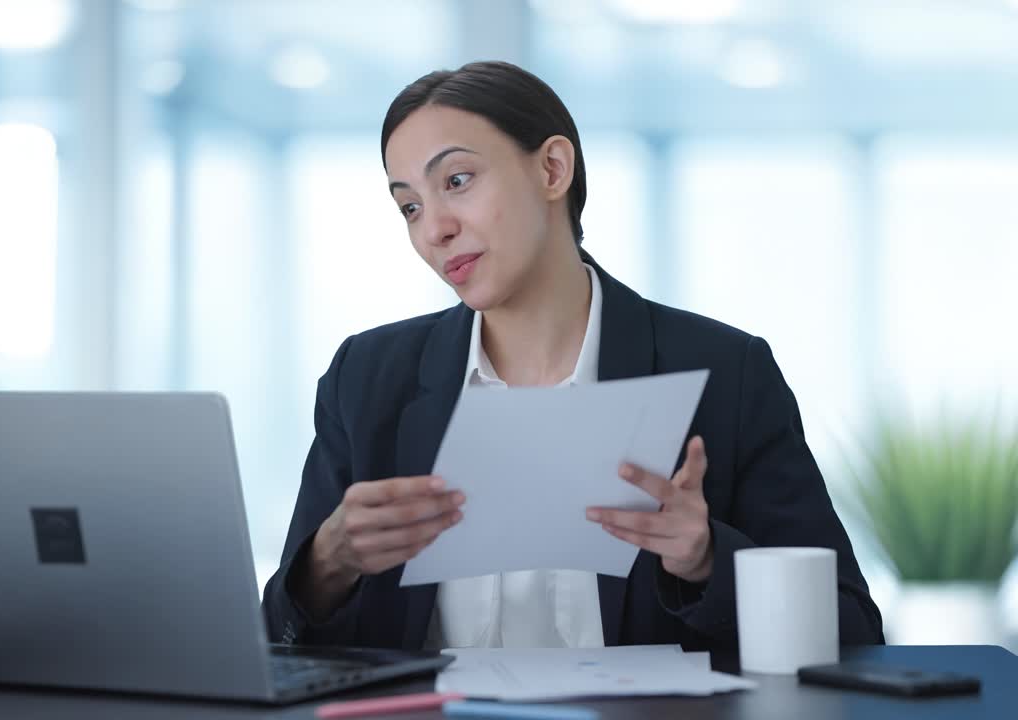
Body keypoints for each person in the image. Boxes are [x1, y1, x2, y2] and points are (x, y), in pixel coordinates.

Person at [261, 60, 883, 652]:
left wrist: (707, 561)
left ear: (553, 169)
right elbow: (280, 646)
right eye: (410, 206)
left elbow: (851, 628)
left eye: (457, 181)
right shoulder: (367, 378)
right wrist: (329, 560)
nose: (434, 230)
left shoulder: (725, 373)